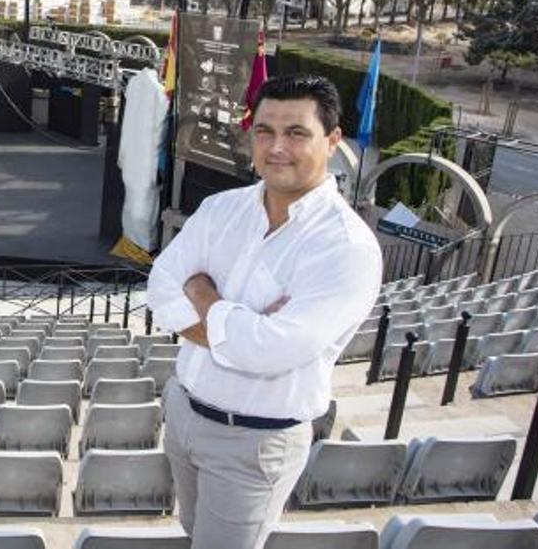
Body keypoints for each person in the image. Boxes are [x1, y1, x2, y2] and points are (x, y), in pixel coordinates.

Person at [147, 74, 382, 549]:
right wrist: (244, 328)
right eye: (264, 131)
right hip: (184, 415)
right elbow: (162, 288)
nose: (276, 147)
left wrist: (204, 295)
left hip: (254, 443)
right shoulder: (221, 209)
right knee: (194, 532)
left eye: (296, 133)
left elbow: (270, 352)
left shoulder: (346, 247)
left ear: (332, 140)